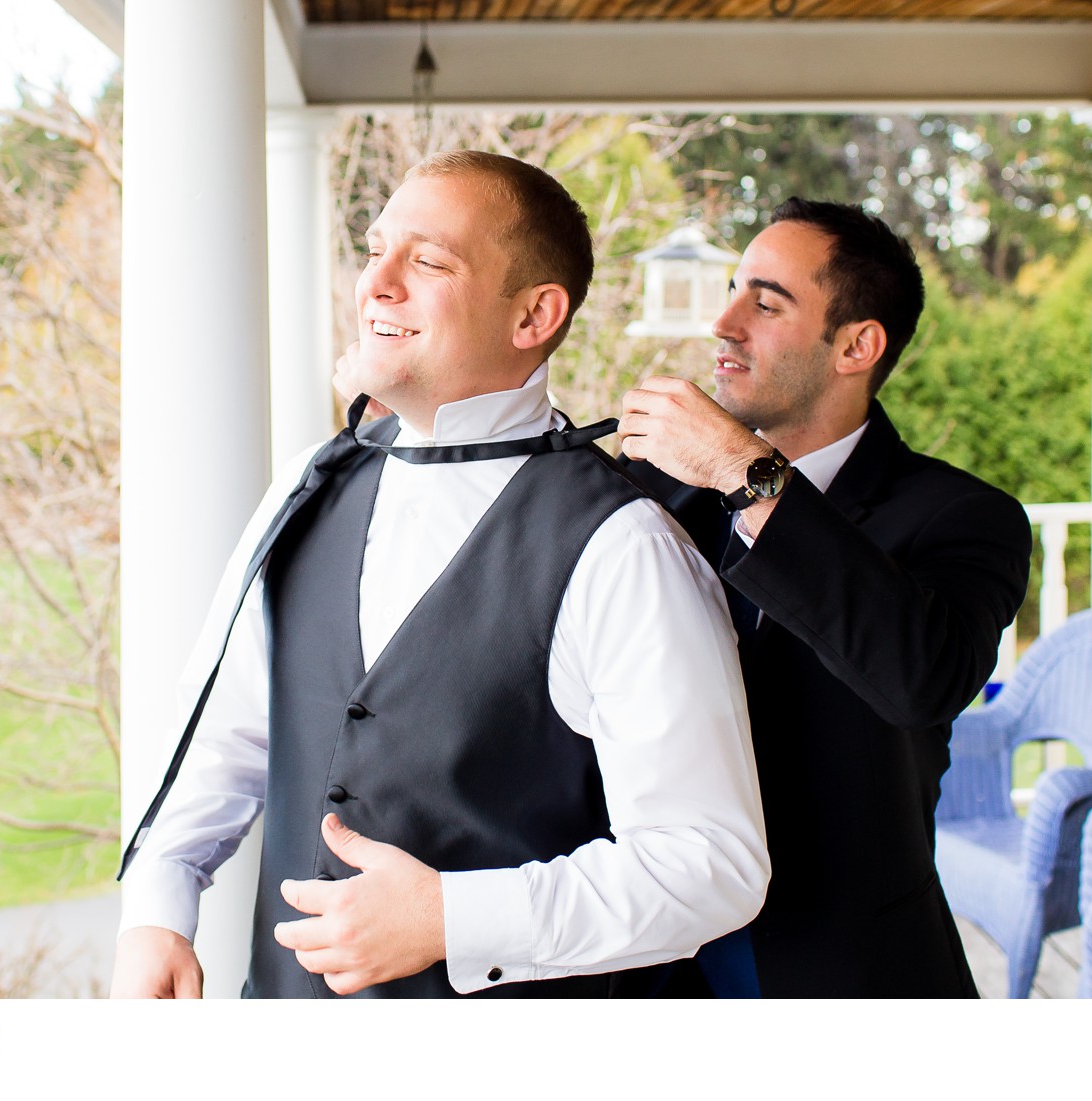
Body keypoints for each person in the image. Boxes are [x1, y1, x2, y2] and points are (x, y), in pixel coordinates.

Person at [111, 151, 769, 999]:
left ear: (534, 314)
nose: (375, 283)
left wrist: (454, 919)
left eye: (426, 261)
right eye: (376, 247)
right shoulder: (308, 485)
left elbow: (713, 863)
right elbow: (226, 730)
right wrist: (158, 905)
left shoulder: (626, 548)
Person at [614, 198, 1032, 997]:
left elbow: (922, 676)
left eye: (766, 302)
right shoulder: (655, 486)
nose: (724, 322)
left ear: (857, 344)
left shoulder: (967, 518)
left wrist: (749, 472)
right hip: (650, 956)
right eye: (733, 290)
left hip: (847, 967)